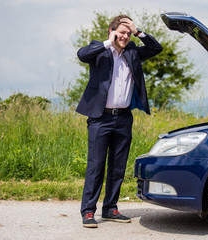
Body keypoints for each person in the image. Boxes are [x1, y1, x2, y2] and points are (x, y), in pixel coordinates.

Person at [76, 14, 163, 228]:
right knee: (96, 166)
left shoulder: (133, 52)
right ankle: (88, 211)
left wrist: (138, 31)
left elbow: (155, 48)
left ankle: (110, 209)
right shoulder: (99, 50)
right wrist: (109, 41)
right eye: (121, 32)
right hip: (100, 119)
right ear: (112, 31)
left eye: (128, 32)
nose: (125, 36)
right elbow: (82, 54)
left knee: (118, 167)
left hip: (123, 118)